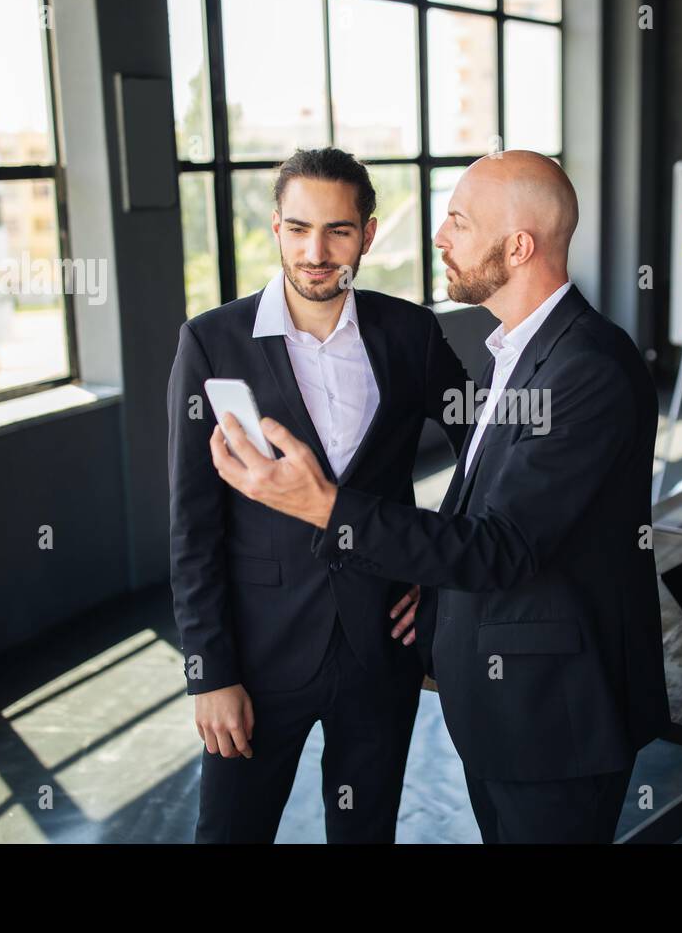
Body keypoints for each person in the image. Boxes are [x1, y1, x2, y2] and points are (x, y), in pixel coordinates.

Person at [210, 150, 671, 843]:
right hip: (510, 714)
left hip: (556, 721)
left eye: (457, 219)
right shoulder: (518, 351)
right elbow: (490, 511)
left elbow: (502, 547)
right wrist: (442, 584)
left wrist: (323, 507)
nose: (439, 236)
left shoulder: (589, 371)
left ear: (517, 247)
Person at [167, 148, 470, 842]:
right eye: (299, 228)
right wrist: (208, 673)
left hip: (379, 647)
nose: (316, 250)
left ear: (366, 234)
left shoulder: (411, 334)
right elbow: (192, 524)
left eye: (338, 230)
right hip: (256, 653)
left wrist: (439, 573)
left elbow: (490, 456)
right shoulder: (212, 343)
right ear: (275, 227)